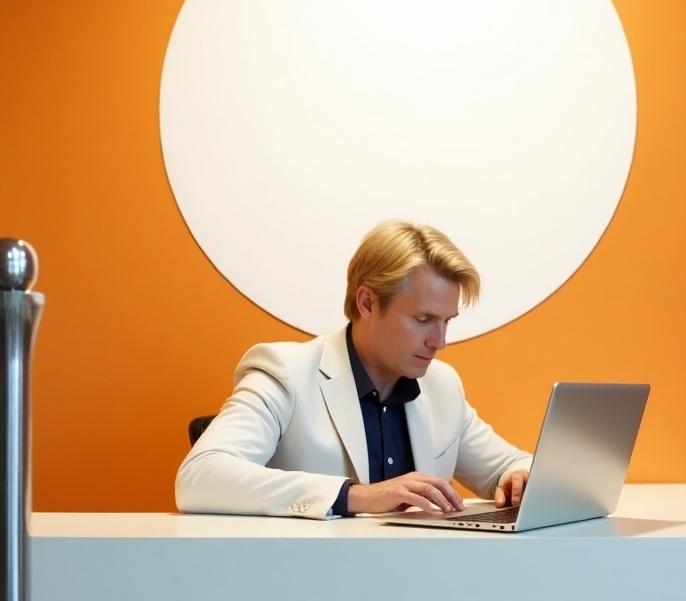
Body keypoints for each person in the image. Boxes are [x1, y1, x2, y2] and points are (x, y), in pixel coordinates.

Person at [176, 221, 531, 519]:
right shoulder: (286, 372)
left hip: (422, 586)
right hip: (307, 588)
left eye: (446, 321)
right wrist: (355, 496)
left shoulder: (443, 385)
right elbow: (199, 476)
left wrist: (519, 475)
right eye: (423, 320)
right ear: (367, 302)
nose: (439, 341)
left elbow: (510, 464)